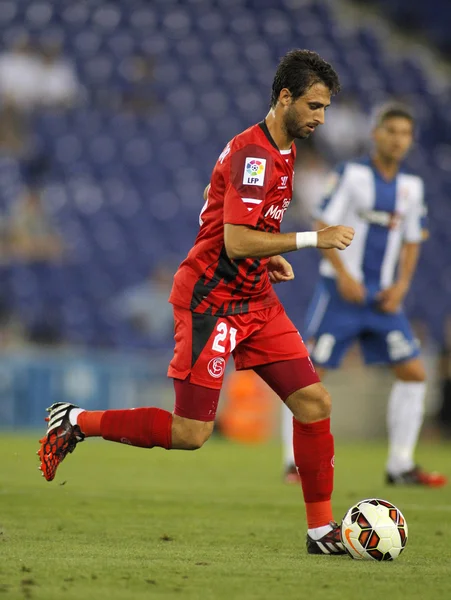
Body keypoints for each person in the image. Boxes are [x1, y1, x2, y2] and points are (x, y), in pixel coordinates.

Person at [38, 49, 355, 555]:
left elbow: (238, 226)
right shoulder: (254, 155)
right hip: (211, 302)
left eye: (325, 109)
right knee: (191, 432)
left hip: (254, 297)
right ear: (285, 97)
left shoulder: (284, 148)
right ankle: (74, 421)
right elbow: (235, 242)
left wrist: (266, 257)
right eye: (314, 106)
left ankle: (321, 532)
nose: (321, 118)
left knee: (314, 403)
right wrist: (312, 240)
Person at [282, 102, 447, 487]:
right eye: (391, 131)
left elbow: (411, 241)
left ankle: (400, 465)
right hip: (340, 294)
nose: (397, 140)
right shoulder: (352, 174)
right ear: (375, 134)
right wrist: (342, 275)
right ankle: (294, 462)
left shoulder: (412, 187)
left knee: (414, 373)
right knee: (307, 374)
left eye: (405, 134)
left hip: (382, 300)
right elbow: (322, 222)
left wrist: (402, 285)